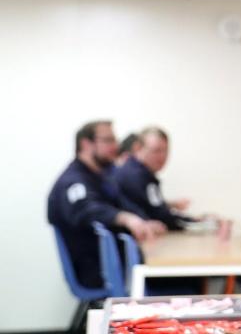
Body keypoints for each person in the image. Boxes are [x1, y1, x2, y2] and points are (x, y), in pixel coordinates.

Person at [48, 121, 166, 290]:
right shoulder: (74, 181)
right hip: (99, 271)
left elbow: (122, 204)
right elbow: (87, 209)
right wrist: (126, 219)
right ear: (86, 144)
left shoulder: (101, 177)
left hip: (118, 265)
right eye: (108, 140)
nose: (115, 146)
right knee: (182, 280)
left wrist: (143, 221)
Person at [113, 126, 195, 231]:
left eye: (165, 150)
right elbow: (160, 215)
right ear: (138, 148)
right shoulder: (137, 176)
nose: (162, 156)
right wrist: (196, 222)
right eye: (156, 151)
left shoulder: (137, 172)